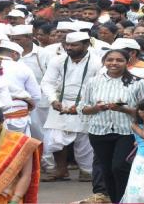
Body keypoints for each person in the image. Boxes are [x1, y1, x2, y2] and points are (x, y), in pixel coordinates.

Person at [78, 49, 144, 203]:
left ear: (127, 62)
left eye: (119, 60)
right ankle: (115, 200)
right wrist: (97, 108)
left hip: (127, 131)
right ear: (104, 62)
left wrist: (123, 109)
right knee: (106, 170)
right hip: (99, 131)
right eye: (110, 60)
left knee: (120, 168)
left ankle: (126, 199)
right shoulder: (93, 81)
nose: (114, 63)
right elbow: (83, 108)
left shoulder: (139, 82)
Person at [41, 32, 102, 182]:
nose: (69, 47)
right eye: (67, 45)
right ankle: (61, 170)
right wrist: (53, 100)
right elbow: (47, 82)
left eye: (74, 45)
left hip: (86, 104)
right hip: (60, 103)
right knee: (55, 139)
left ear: (86, 45)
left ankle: (87, 171)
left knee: (84, 140)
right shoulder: (58, 60)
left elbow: (100, 85)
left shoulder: (97, 62)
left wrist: (83, 104)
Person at [0, 104, 42, 204]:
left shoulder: (20, 142)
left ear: (1, 122)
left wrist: (16, 198)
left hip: (6, 198)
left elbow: (25, 175)